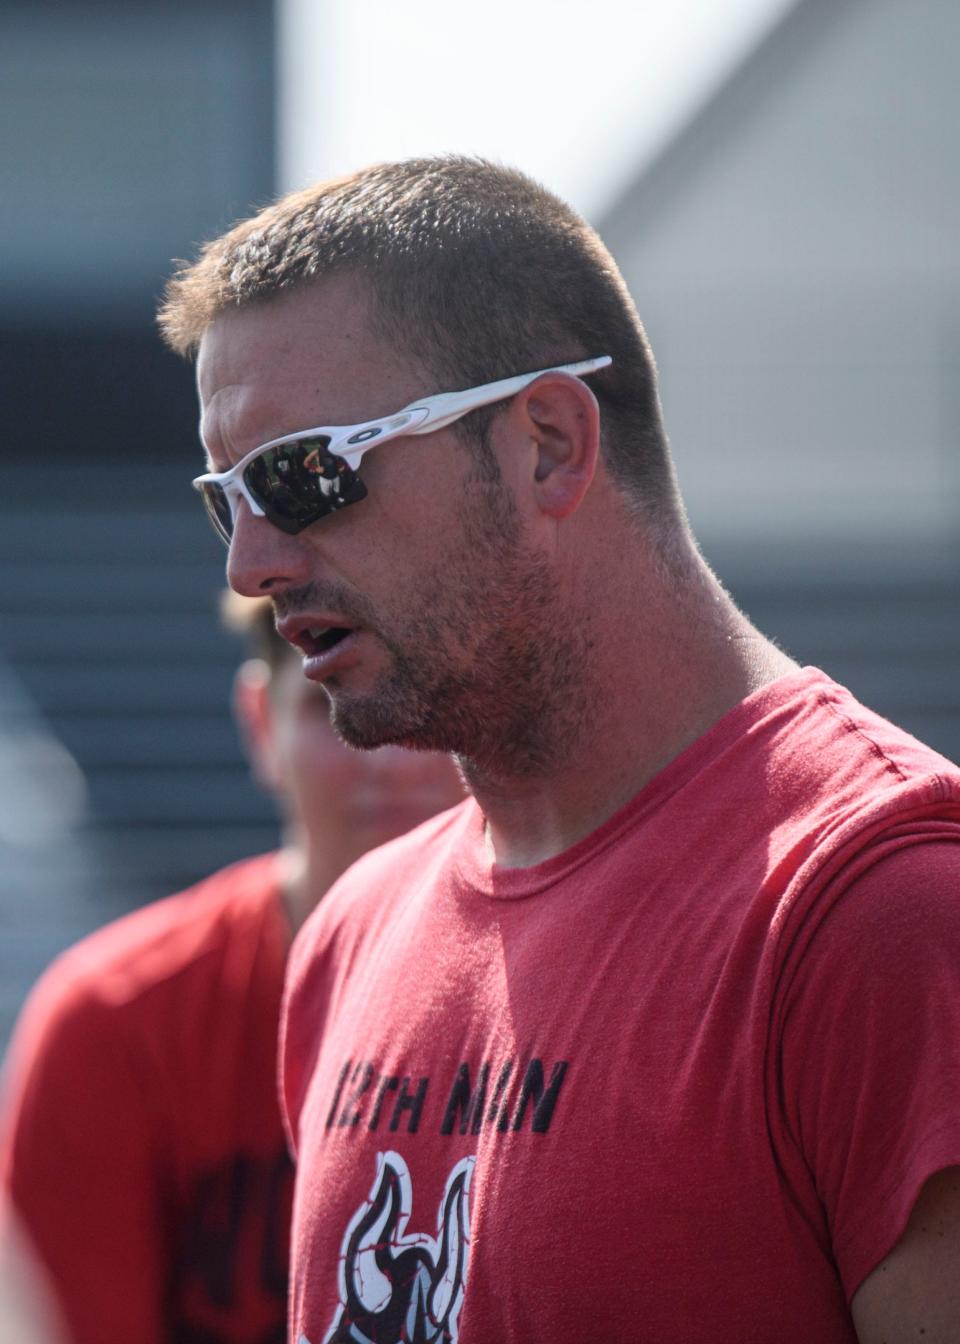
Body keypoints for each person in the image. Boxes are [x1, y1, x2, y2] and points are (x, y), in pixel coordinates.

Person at [156, 157, 960, 1344]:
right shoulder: (352, 934)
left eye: (305, 474)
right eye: (229, 497)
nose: (251, 564)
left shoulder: (882, 913)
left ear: (547, 444)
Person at [0, 593, 464, 1344]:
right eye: (334, 710)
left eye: (429, 708)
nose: (392, 760)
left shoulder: (584, 997)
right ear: (260, 724)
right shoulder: (117, 1022)